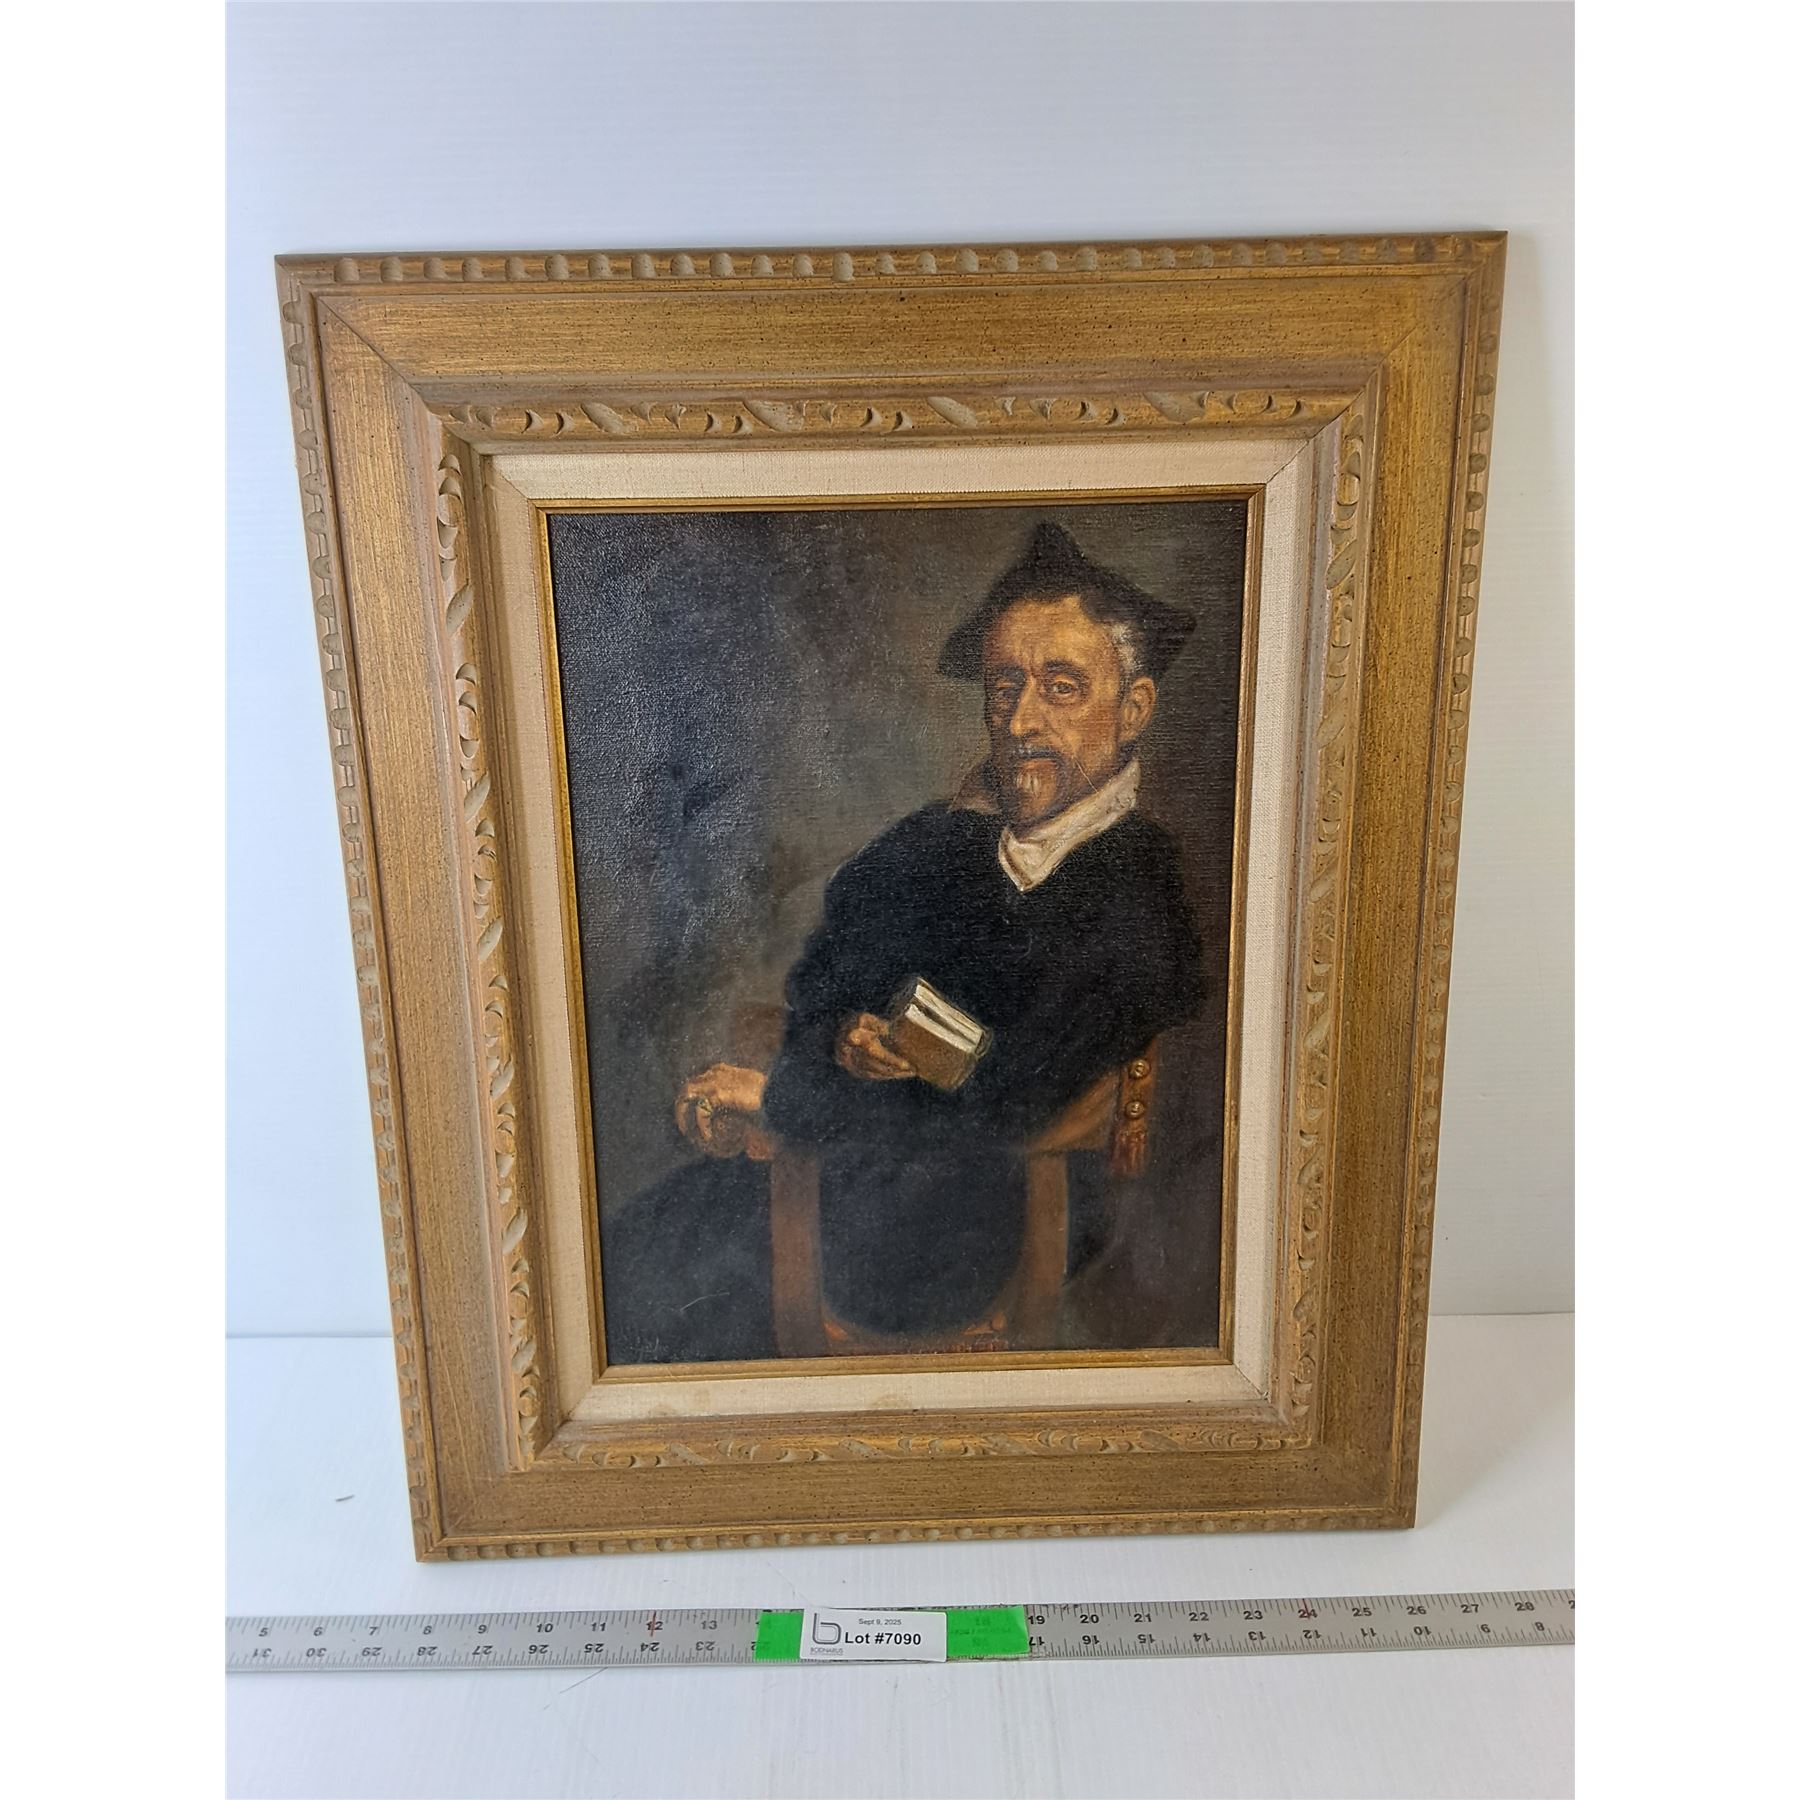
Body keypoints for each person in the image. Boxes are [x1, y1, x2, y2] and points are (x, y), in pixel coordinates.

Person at [603, 522, 1207, 1362]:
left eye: (1062, 687)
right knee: (631, 1267)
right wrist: (844, 1039)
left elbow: (1007, 1102)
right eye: (1004, 687)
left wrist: (778, 1101)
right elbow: (824, 980)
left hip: (966, 1234)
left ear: (1133, 709)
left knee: (662, 1293)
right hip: (857, 1177)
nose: (1021, 719)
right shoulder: (940, 842)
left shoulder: (1140, 887)